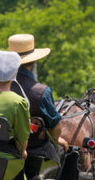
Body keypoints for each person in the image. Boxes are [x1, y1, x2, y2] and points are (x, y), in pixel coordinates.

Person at [5, 34, 68, 162]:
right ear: (33, 63)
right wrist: (57, 139)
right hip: (34, 152)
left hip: (0, 146)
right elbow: (55, 126)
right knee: (65, 152)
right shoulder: (42, 92)